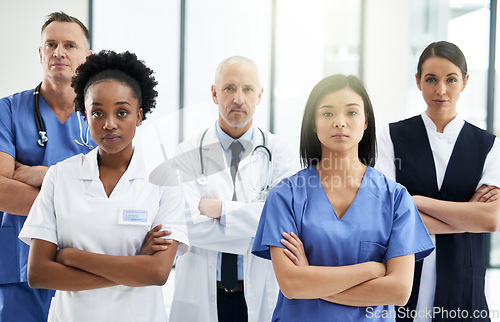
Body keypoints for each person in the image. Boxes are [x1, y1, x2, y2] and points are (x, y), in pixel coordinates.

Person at [18, 50, 189, 322]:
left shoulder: (165, 178)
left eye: (122, 112)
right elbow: (38, 274)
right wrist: (134, 269)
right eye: (97, 112)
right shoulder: (60, 177)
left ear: (139, 116)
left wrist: (72, 256)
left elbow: (157, 273)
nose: (109, 124)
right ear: (85, 116)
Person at [252, 74, 435, 321]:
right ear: (314, 124)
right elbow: (292, 285)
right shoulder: (286, 196)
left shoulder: (395, 198)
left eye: (351, 113)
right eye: (328, 113)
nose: (340, 122)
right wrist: (370, 270)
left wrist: (312, 278)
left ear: (366, 121)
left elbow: (399, 291)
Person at [376, 41, 500, 322]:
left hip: (465, 292)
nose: (441, 90)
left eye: (451, 79)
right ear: (418, 81)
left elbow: (490, 219)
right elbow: (385, 217)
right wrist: (468, 215)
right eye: (431, 79)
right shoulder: (392, 137)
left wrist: (415, 203)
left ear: (465, 82)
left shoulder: (489, 146)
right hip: (404, 285)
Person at [169, 56, 298, 322]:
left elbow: (284, 225)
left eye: (248, 89)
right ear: (215, 94)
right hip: (203, 294)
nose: (238, 98)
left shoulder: (281, 153)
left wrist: (221, 210)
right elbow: (187, 226)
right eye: (229, 88)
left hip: (259, 293)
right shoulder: (187, 152)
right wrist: (258, 228)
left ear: (260, 95)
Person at [0, 12, 94, 321]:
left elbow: (111, 195)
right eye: (51, 44)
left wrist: (46, 175)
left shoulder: (101, 119)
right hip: (19, 265)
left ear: (87, 56)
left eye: (69, 45)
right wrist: (75, 192)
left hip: (82, 263)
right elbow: (1, 191)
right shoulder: (8, 110)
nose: (59, 52)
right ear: (41, 54)